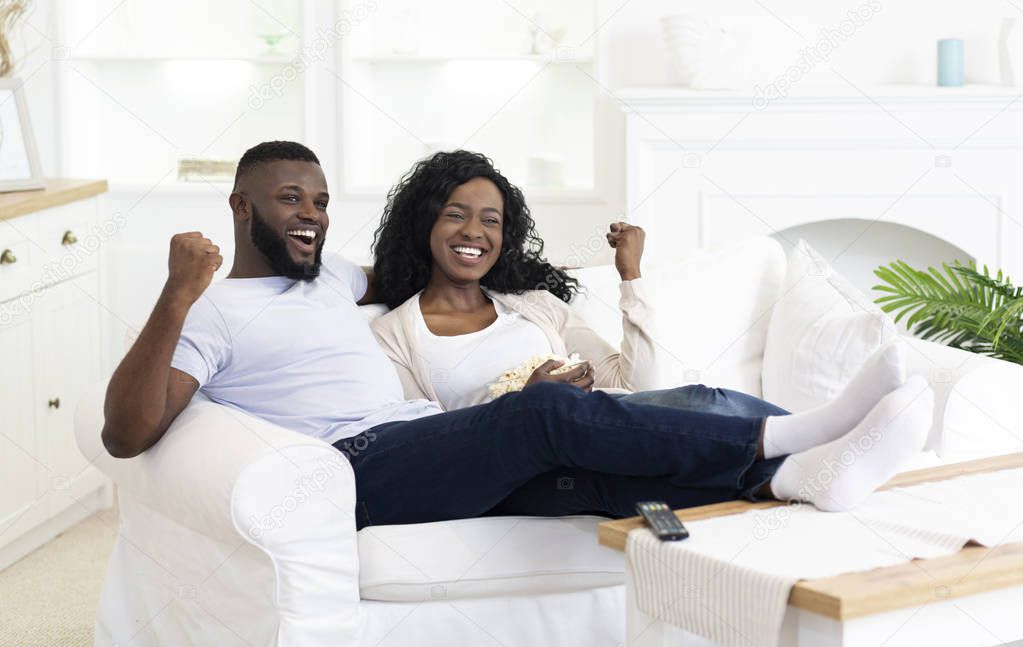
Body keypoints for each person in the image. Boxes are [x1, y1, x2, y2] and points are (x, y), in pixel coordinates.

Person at [100, 141, 934, 530]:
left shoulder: (335, 276)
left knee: (582, 475)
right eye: (289, 199)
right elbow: (127, 432)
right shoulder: (207, 312)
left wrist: (568, 273)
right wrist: (176, 294)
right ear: (241, 207)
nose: (310, 215)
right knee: (536, 418)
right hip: (350, 470)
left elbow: (429, 260)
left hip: (421, 444)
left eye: (318, 200)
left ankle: (792, 476)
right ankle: (799, 430)